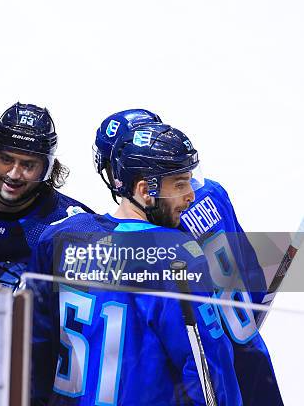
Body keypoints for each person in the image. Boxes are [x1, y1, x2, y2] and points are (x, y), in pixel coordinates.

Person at [30, 123, 243, 405]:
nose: (191, 195)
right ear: (145, 190)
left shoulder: (61, 236)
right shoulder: (176, 254)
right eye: (180, 184)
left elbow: (34, 347)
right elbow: (207, 368)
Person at [93, 109, 282, 405]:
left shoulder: (155, 232)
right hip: (251, 360)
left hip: (202, 380)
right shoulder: (213, 194)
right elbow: (254, 278)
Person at [0, 103, 93, 406]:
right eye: (5, 159)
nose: (13, 173)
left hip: (21, 385)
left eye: (28, 164)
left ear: (48, 169)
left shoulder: (71, 227)